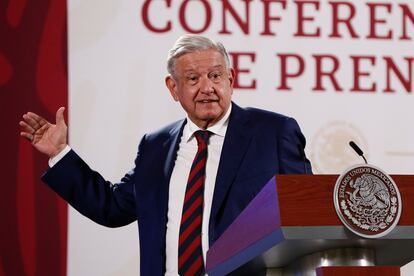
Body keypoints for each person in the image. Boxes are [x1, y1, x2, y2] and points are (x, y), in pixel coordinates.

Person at [20, 35, 312, 275]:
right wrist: (60, 153)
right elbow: (111, 207)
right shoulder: (155, 146)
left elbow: (304, 217)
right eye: (193, 78)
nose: (207, 87)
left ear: (231, 78)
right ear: (173, 88)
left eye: (215, 75)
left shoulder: (273, 133)